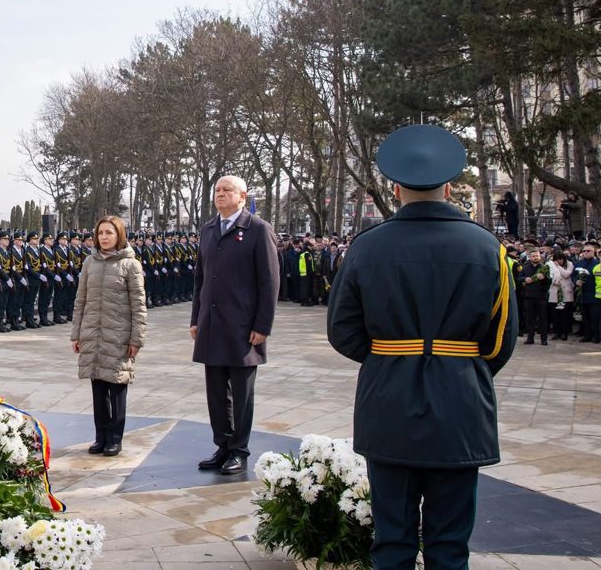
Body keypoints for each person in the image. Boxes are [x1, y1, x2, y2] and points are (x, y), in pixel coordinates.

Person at [327, 124, 517, 570]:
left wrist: (392, 358)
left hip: (388, 402)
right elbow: (501, 339)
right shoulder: (487, 247)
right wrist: (460, 366)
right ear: (448, 186)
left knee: (391, 541)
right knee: (450, 545)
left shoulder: (365, 247)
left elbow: (343, 330)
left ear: (396, 189)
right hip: (461, 406)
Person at [190, 175, 280, 477]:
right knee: (216, 391)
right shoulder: (209, 229)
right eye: (217, 190)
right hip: (212, 324)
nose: (220, 195)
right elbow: (200, 279)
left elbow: (269, 282)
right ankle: (223, 445)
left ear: (242, 196)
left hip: (243, 327)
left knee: (241, 393)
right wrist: (196, 318)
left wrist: (262, 325)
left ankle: (239, 450)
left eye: (227, 190)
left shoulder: (257, 229)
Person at [71, 215, 146, 457]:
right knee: (98, 388)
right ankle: (101, 436)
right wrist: (77, 333)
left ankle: (115, 438)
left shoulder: (130, 265)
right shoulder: (89, 263)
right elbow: (80, 300)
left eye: (109, 233)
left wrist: (136, 339)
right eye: (101, 232)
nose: (104, 237)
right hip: (93, 333)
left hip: (119, 336)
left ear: (119, 235)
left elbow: (138, 305)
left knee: (117, 388)